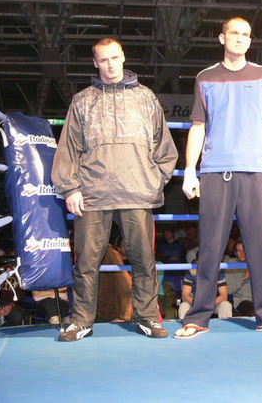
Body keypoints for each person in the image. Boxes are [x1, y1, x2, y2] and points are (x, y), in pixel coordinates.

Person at [51, 37, 177, 341]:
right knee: (86, 262)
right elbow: (68, 148)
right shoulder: (82, 100)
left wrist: (153, 180)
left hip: (137, 193)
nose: (110, 64)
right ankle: (81, 320)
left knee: (143, 260)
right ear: (95, 63)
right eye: (104, 59)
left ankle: (147, 318)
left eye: (115, 57)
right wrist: (70, 189)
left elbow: (165, 147)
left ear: (123, 57)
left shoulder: (146, 97)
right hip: (92, 194)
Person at [175, 17, 262, 338]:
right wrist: (189, 169)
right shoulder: (205, 77)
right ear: (222, 38)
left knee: (259, 248)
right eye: (234, 33)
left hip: (256, 171)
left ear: (250, 41)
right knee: (209, 248)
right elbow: (198, 126)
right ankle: (198, 318)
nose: (240, 39)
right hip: (215, 171)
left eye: (246, 35)